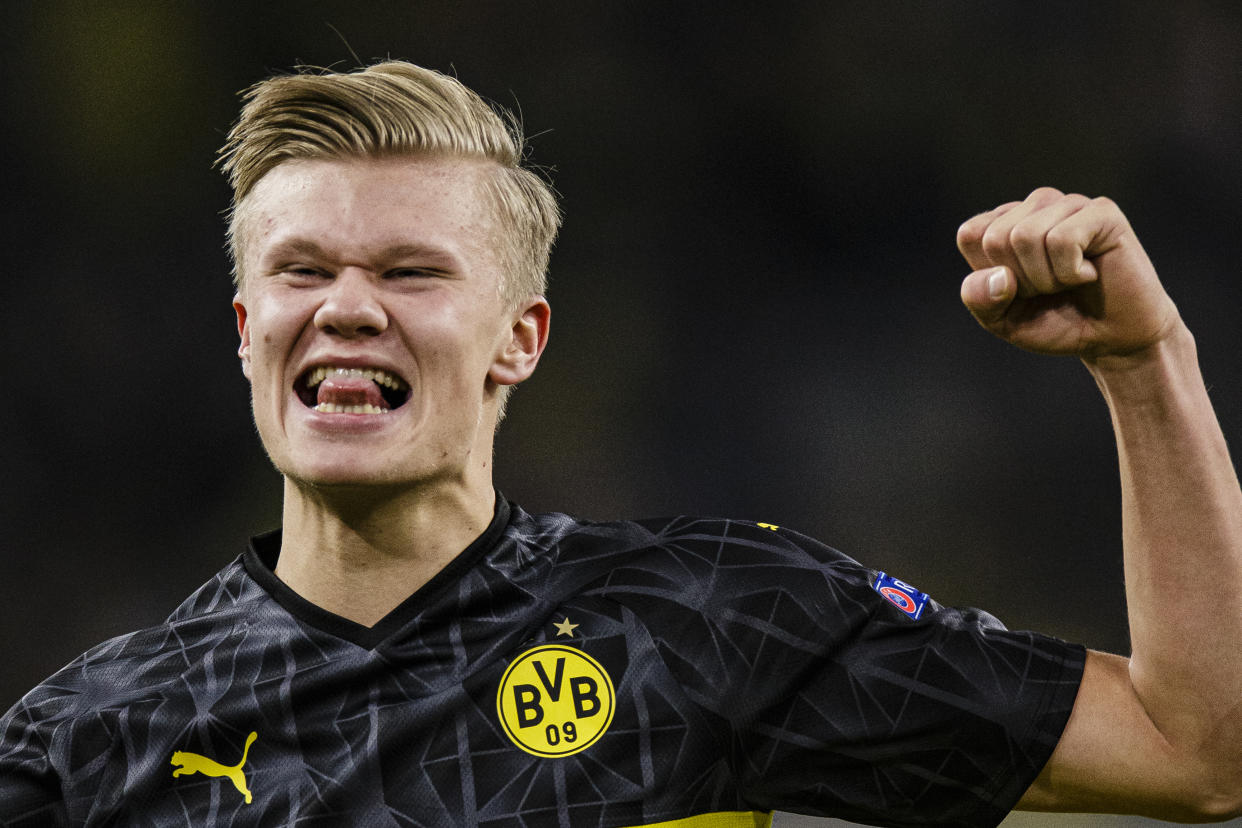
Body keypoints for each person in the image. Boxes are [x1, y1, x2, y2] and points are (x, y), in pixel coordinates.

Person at [1, 60, 1240, 828]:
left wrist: (1145, 363)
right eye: (303, 269)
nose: (347, 305)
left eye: (411, 271)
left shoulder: (705, 617)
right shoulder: (87, 738)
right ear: (244, 327)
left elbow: (1202, 753)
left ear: (520, 339)